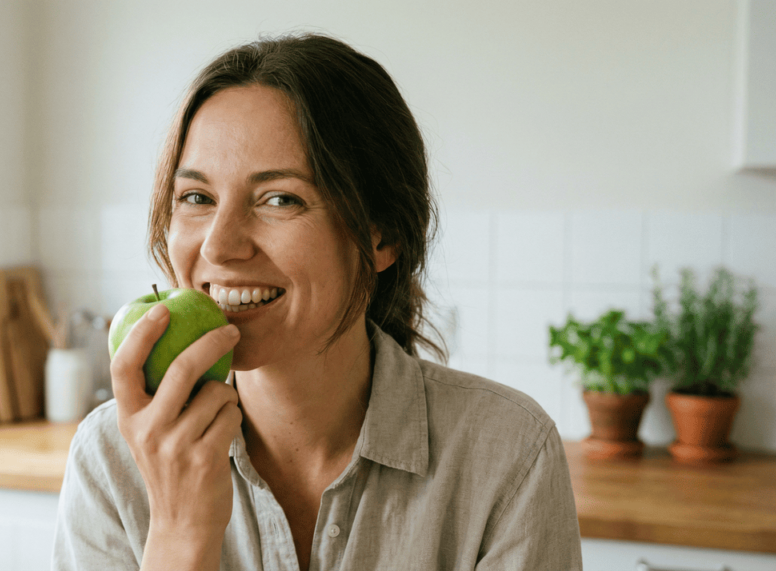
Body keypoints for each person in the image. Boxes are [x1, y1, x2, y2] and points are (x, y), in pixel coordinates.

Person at [53, 33, 582, 571]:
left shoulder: (509, 455)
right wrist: (179, 533)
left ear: (382, 235)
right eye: (197, 197)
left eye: (279, 198)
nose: (218, 246)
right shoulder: (110, 459)